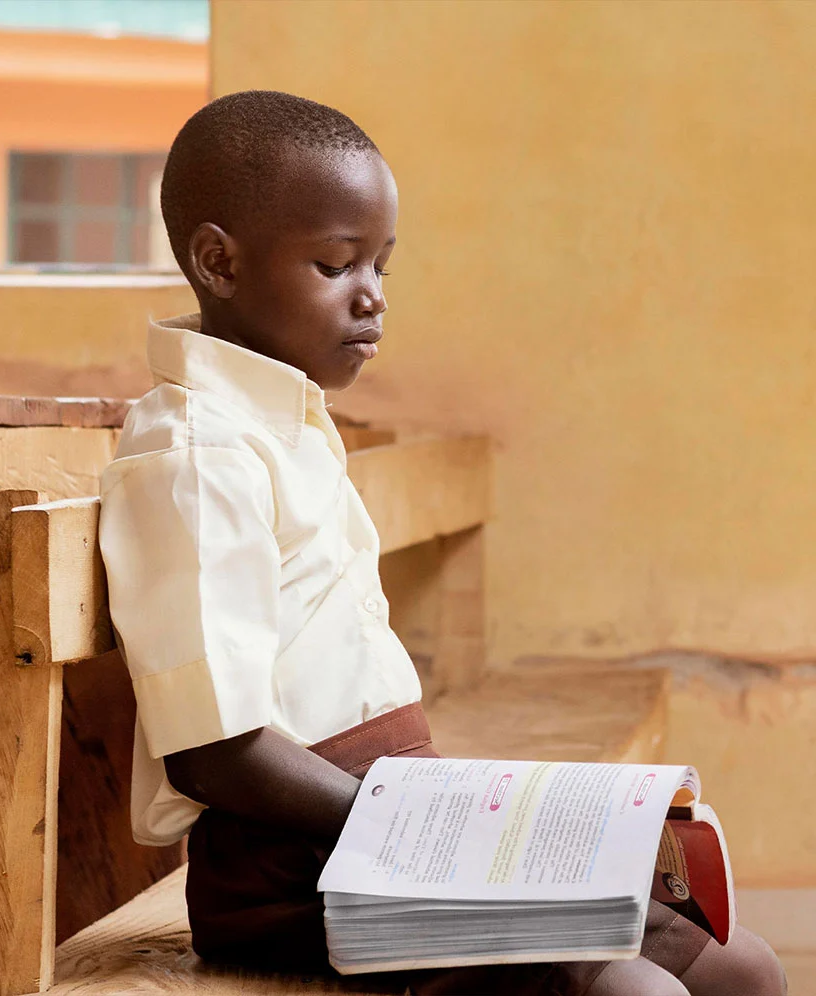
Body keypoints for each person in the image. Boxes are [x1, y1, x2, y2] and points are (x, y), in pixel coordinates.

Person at [98, 91, 786, 995]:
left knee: (743, 967)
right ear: (219, 262)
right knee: (634, 989)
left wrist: (456, 820)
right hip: (292, 872)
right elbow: (214, 751)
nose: (373, 294)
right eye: (336, 264)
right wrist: (436, 830)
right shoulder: (193, 455)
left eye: (382, 263)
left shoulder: (288, 421)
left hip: (391, 824)